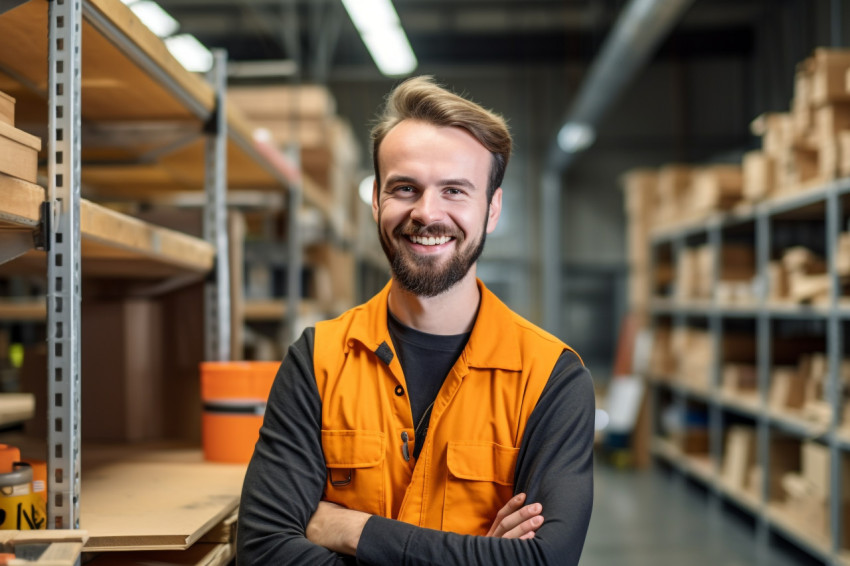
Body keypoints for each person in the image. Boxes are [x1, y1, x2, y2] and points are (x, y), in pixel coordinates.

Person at [236, 76, 595, 565]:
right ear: (376, 201)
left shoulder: (551, 377)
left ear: (491, 209)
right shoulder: (317, 360)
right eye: (405, 188)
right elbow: (264, 550)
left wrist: (351, 528)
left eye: (454, 190)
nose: (428, 213)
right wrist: (479, 556)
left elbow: (546, 560)